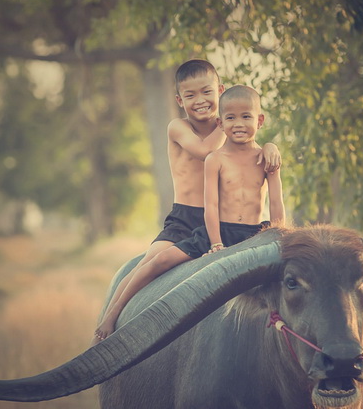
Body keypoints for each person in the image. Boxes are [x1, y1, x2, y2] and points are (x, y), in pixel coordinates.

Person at [92, 60, 280, 344]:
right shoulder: (178, 128)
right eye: (190, 96)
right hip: (186, 218)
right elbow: (205, 149)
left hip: (226, 221)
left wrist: (269, 145)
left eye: (206, 92)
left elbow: (250, 146)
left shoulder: (236, 129)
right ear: (179, 101)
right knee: (149, 263)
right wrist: (227, 121)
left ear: (219, 90)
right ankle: (111, 316)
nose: (201, 101)